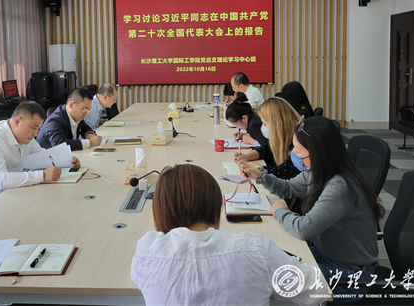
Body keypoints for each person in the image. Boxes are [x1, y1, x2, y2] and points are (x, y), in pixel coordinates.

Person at [131, 164, 327, 306]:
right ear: (214, 205)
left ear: (162, 211)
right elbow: (318, 290)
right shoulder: (255, 248)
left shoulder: (146, 251)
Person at [239, 116, 384, 304]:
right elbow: (288, 188)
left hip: (349, 276)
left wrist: (280, 211)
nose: (293, 154)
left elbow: (303, 229)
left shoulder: (339, 186)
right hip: (323, 256)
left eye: (298, 151)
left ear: (317, 153)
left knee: (266, 278)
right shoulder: (319, 171)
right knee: (264, 264)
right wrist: (261, 176)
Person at [0, 101, 79, 209]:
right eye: (34, 128)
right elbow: (0, 180)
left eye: (38, 129)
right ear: (17, 121)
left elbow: (45, 157)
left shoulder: (26, 137)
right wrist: (42, 175)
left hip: (9, 196)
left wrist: (67, 160)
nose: (36, 134)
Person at [235, 98, 301, 181]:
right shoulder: (284, 138)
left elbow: (284, 173)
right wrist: (247, 156)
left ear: (276, 123)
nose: (264, 127)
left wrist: (258, 168)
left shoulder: (299, 141)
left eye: (265, 124)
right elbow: (267, 149)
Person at [37, 87, 103, 151]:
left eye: (88, 110)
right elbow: (59, 144)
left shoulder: (76, 116)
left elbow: (85, 127)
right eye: (84, 109)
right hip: (48, 157)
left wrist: (89, 134)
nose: (86, 113)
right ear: (71, 105)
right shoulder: (55, 120)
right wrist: (89, 143)